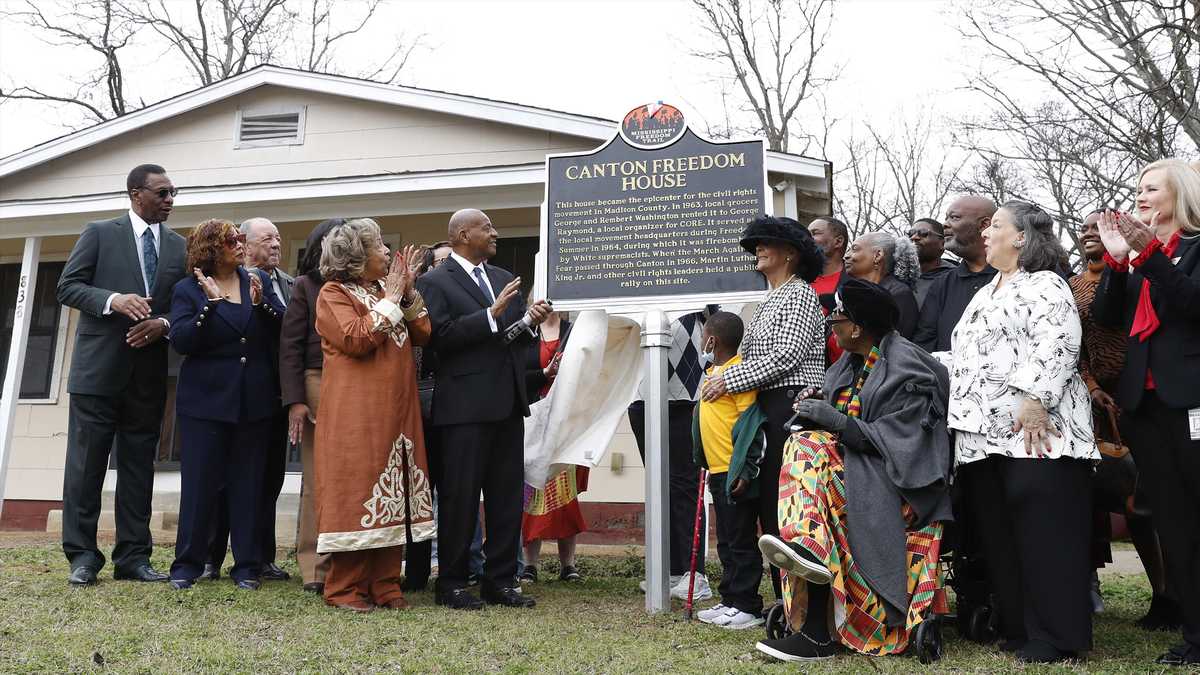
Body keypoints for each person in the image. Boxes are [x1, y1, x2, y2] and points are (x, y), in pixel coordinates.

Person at [755, 278, 952, 661]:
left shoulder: (912, 368)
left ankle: (811, 588)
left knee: (806, 449)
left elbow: (908, 445)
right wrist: (818, 407)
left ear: (858, 326)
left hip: (901, 485)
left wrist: (837, 422)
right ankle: (810, 564)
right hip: (846, 476)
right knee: (805, 445)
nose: (832, 323)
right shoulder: (847, 365)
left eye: (837, 317)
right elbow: (843, 424)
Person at [943, 201, 1097, 664]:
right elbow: (970, 357)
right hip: (982, 437)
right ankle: (1019, 628)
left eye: (995, 226)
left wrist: (1036, 400)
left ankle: (1056, 635)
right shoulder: (988, 290)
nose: (986, 234)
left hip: (1037, 432)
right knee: (1002, 537)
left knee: (1045, 534)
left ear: (1023, 237)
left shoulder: (1046, 285)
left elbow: (1060, 342)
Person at [56, 163, 187, 586]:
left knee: (137, 468)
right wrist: (113, 299)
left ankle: (133, 557)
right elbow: (68, 286)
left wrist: (163, 324)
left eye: (173, 193)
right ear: (136, 194)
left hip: (148, 376)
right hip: (97, 374)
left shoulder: (178, 248)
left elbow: (179, 307)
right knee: (86, 467)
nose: (170, 200)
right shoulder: (99, 233)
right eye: (162, 193)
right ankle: (82, 557)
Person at [1092, 158, 1200, 667]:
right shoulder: (1138, 260)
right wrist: (1117, 262)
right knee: (1174, 522)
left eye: (1150, 189)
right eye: (1136, 188)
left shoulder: (1194, 249)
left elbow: (1191, 304)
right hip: (1146, 407)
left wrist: (1150, 254)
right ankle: (1195, 634)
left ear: (1179, 194)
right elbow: (1108, 318)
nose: (1139, 197)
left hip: (1192, 402)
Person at [416, 208, 551, 610]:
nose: (494, 233)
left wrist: (527, 321)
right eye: (486, 228)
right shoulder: (434, 282)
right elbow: (439, 340)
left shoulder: (500, 279)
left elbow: (508, 340)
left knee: (506, 497)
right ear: (461, 234)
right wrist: (488, 317)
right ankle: (453, 583)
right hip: (463, 408)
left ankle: (500, 581)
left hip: (507, 404)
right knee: (459, 498)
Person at [311, 218, 434, 612]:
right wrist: (392, 297)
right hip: (355, 415)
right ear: (357, 257)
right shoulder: (332, 293)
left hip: (399, 412)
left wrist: (408, 292)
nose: (387, 252)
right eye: (379, 246)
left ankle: (385, 585)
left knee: (395, 490)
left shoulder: (388, 290)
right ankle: (343, 589)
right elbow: (357, 338)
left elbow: (424, 332)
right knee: (357, 491)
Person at [701, 215, 826, 600]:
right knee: (766, 505)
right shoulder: (771, 297)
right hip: (766, 408)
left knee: (783, 506)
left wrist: (729, 380)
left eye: (766, 243)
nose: (758, 249)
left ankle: (795, 603)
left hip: (790, 408)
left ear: (790, 253)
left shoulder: (801, 294)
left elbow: (787, 355)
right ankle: (779, 602)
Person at [166, 219, 286, 590]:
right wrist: (211, 306)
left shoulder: (258, 282)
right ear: (211, 249)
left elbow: (282, 329)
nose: (239, 245)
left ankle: (247, 567)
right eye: (231, 240)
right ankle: (188, 565)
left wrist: (261, 305)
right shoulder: (188, 289)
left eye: (239, 239)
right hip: (205, 404)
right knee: (201, 487)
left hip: (254, 402)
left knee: (248, 486)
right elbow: (183, 340)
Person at [1069, 208, 1175, 627]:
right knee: (1117, 501)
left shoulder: (1134, 277)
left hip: (1140, 393)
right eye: (1084, 228)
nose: (1089, 234)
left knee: (1150, 500)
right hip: (1094, 401)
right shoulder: (1072, 286)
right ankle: (1146, 593)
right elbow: (1072, 348)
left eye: (1098, 227)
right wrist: (1092, 387)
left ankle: (1172, 593)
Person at [205, 216, 294, 582]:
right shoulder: (228, 281)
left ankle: (260, 557)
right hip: (234, 394)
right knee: (226, 480)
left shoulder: (286, 283)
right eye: (267, 238)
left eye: (278, 237)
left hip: (275, 393)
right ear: (247, 244)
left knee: (268, 478)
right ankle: (211, 556)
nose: (276, 244)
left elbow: (290, 328)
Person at [628, 309, 713, 601]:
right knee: (660, 486)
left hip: (687, 397)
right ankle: (673, 569)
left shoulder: (699, 287)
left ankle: (695, 575)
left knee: (686, 486)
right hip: (644, 396)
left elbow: (717, 317)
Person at [279, 217, 343, 594]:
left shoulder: (361, 285)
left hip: (356, 382)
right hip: (317, 379)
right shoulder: (305, 286)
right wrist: (296, 401)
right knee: (317, 477)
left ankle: (348, 561)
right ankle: (314, 568)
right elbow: (289, 347)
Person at [692, 311, 767, 630]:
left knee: (740, 540)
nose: (700, 342)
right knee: (725, 540)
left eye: (702, 336)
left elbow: (753, 426)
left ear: (713, 340)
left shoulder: (738, 374)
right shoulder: (712, 372)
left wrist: (745, 470)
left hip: (735, 473)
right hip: (717, 471)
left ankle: (747, 605)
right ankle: (730, 599)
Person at [518, 309, 589, 584]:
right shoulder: (526, 334)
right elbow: (518, 374)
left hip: (566, 423)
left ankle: (568, 564)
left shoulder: (574, 331)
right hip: (535, 420)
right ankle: (529, 564)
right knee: (531, 491)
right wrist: (545, 373)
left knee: (565, 493)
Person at [914, 196, 998, 353]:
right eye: (946, 218)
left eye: (954, 217)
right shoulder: (942, 284)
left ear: (984, 225)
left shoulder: (1016, 275)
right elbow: (924, 344)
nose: (945, 224)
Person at [842, 232, 920, 338]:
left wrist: (868, 355)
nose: (846, 256)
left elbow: (888, 345)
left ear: (878, 255)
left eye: (855, 249)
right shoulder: (859, 293)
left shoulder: (898, 294)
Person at [806, 216, 849, 365]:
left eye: (815, 233)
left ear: (838, 241)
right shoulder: (800, 281)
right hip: (809, 374)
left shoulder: (856, 281)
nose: (807, 238)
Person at [909, 218, 955, 308]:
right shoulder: (897, 277)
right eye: (910, 233)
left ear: (943, 243)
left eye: (923, 233)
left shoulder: (954, 279)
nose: (914, 237)